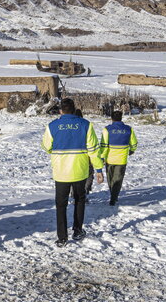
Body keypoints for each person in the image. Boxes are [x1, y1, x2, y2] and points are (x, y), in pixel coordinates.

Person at [41, 98, 104, 247]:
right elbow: (94, 150)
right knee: (79, 200)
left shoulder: (52, 126)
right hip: (80, 171)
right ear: (75, 109)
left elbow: (46, 146)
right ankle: (77, 230)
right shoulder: (86, 125)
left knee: (61, 204)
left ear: (61, 110)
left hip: (61, 171)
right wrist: (99, 169)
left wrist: (56, 151)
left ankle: (62, 237)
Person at [100, 110, 138, 206]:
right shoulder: (129, 129)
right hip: (122, 160)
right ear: (121, 118)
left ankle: (113, 196)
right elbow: (134, 143)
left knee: (110, 179)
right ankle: (114, 196)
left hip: (109, 159)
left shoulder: (107, 129)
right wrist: (132, 150)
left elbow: (103, 145)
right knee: (118, 179)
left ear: (111, 118)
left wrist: (102, 157)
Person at [74, 109, 94, 202]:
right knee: (89, 174)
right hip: (86, 155)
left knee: (75, 175)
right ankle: (85, 191)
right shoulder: (86, 125)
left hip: (72, 156)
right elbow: (92, 143)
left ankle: (74, 193)